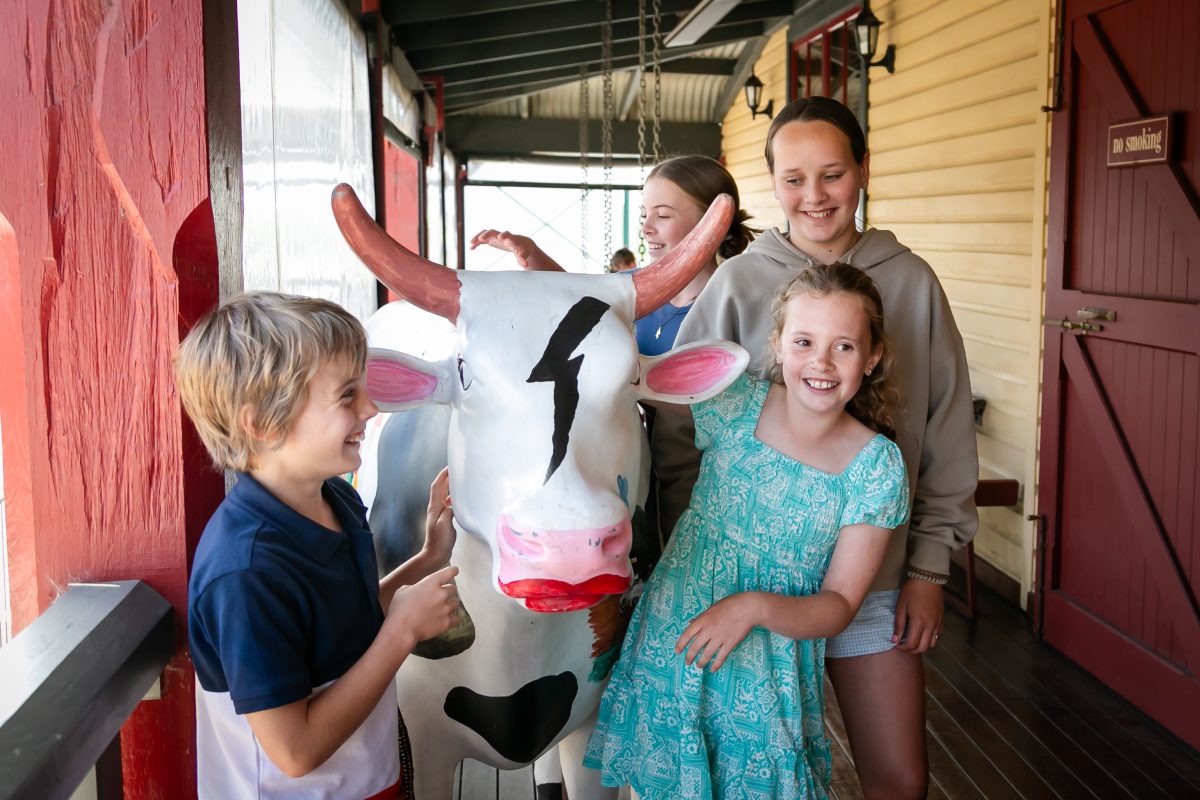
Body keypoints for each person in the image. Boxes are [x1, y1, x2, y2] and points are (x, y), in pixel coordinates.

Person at [655, 96, 979, 799]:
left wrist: (928, 569)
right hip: (742, 584)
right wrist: (684, 565)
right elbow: (682, 433)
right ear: (771, 182)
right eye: (793, 178)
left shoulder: (913, 282)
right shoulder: (739, 282)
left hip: (873, 585)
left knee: (900, 776)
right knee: (745, 778)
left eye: (831, 174)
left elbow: (947, 429)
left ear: (863, 170)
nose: (813, 195)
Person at [584, 263, 910, 798]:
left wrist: (754, 606)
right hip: (676, 639)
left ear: (872, 357)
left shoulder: (874, 466)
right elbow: (619, 384)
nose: (821, 362)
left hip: (767, 673)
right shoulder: (731, 403)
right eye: (804, 341)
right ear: (777, 344)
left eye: (844, 347)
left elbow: (840, 603)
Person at [175, 292, 460, 799]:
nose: (371, 408)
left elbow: (344, 623)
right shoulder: (245, 572)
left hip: (369, 778)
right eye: (347, 395)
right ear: (262, 422)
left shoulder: (335, 499)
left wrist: (427, 558)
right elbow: (295, 752)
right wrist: (402, 633)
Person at [468, 154, 755, 356]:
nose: (645, 228)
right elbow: (578, 295)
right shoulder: (632, 284)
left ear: (714, 224)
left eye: (663, 215)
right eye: (644, 215)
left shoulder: (733, 300)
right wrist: (531, 254)